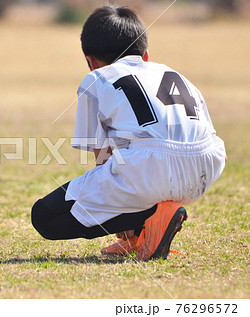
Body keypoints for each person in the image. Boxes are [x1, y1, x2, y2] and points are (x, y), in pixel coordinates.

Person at [31, 6, 226, 261]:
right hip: (206, 168)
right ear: (145, 55)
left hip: (147, 169)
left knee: (45, 217)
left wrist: (119, 207)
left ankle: (151, 218)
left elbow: (102, 155)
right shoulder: (175, 74)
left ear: (91, 61)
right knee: (136, 172)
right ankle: (146, 229)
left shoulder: (96, 79)